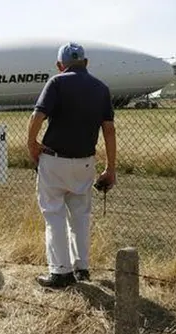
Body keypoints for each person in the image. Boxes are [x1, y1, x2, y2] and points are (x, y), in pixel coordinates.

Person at [26, 42, 117, 288]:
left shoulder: (56, 82)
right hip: (85, 162)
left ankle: (60, 271)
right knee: (80, 216)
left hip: (55, 161)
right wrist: (110, 168)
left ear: (60, 65)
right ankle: (82, 267)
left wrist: (32, 143)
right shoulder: (101, 88)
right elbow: (108, 130)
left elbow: (37, 116)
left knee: (53, 214)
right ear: (86, 63)